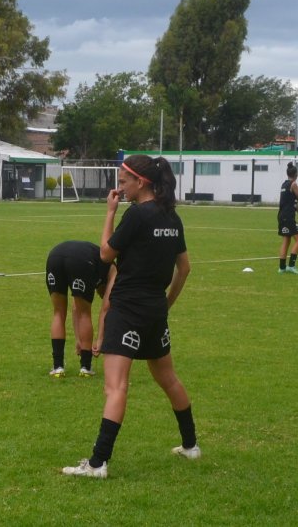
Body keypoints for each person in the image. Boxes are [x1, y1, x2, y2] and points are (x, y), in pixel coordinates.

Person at [62, 154, 198, 479]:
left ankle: (97, 464)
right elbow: (185, 267)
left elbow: (106, 253)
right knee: (168, 378)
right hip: (154, 309)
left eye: (124, 182)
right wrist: (167, 303)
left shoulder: (136, 215)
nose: (120, 187)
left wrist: (109, 213)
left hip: (127, 309)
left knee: (116, 386)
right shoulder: (171, 217)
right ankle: (191, 446)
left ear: (141, 182)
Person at [44, 241, 112, 377]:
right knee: (85, 314)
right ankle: (86, 368)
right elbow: (106, 309)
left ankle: (58, 367)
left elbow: (75, 307)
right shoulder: (114, 272)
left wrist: (80, 340)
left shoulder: (101, 265)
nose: (101, 295)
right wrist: (100, 340)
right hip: (81, 260)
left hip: (54, 256)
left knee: (58, 313)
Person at [277, 162, 298, 274]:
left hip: (281, 215)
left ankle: (282, 268)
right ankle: (292, 266)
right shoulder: (293, 184)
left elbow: (290, 202)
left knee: (286, 240)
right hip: (288, 217)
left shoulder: (284, 184)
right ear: (296, 175)